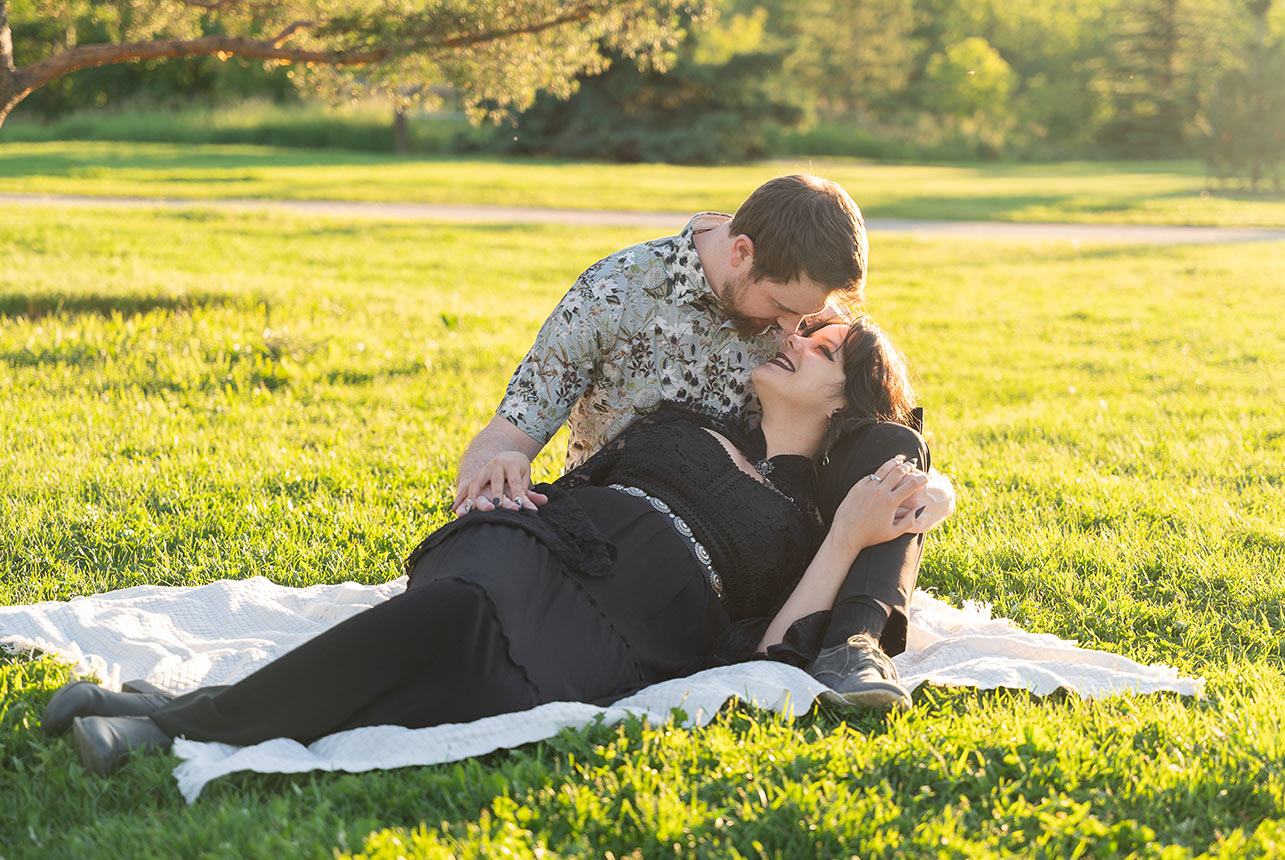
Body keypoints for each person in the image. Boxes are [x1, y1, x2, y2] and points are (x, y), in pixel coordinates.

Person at [44, 318, 931, 776]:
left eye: (823, 348)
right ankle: (169, 729)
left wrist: (845, 537)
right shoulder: (683, 420)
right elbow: (576, 480)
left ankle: (177, 712)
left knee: (460, 664)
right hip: (544, 545)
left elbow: (770, 654)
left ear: (845, 399)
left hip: (619, 624)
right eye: (802, 329)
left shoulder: (805, 518)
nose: (795, 340)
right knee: (453, 610)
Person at [451, 172, 952, 694]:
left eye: (807, 316)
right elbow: (505, 435)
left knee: (899, 450)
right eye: (784, 310)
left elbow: (867, 389)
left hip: (759, 521)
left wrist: (929, 488)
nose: (792, 330)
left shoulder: (798, 291)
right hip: (618, 515)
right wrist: (493, 475)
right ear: (741, 253)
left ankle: (855, 644)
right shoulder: (613, 295)